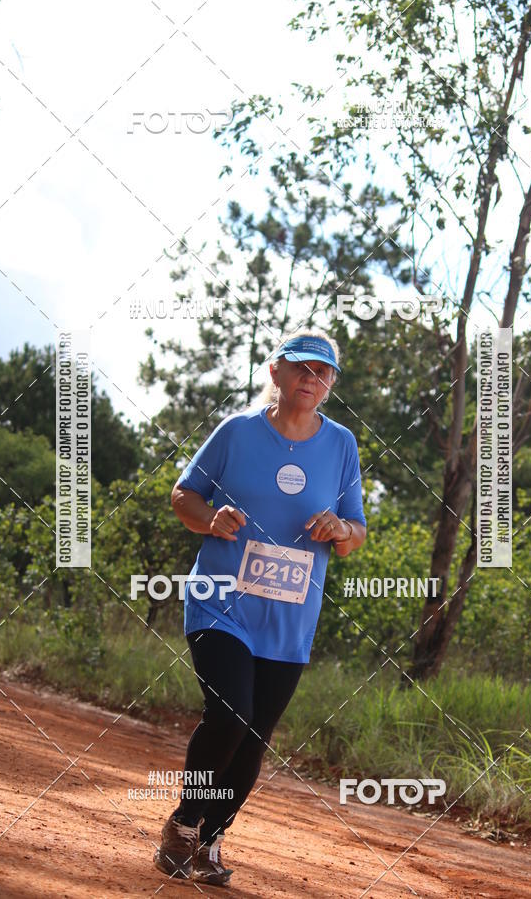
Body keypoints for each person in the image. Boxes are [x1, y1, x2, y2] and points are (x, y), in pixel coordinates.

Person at [153, 328, 367, 886]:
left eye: (322, 374)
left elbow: (355, 534)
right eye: (301, 368)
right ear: (276, 372)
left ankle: (210, 840)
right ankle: (182, 825)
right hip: (220, 601)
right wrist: (209, 518)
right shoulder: (237, 433)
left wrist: (340, 526)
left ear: (330, 386)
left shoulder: (342, 445)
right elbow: (184, 494)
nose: (311, 380)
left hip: (290, 620)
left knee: (254, 737)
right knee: (231, 712)